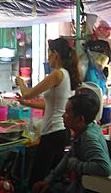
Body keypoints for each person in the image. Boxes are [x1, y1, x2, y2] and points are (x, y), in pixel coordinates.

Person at [15, 38, 82, 189]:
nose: (47, 57)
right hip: (61, 132)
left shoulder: (57, 75)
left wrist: (19, 81)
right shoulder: (67, 75)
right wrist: (28, 104)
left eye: (48, 53)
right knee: (49, 181)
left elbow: (28, 93)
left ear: (55, 54)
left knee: (37, 181)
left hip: (52, 133)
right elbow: (53, 103)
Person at [32, 87, 111, 193]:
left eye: (67, 113)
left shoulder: (89, 138)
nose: (63, 116)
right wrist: (49, 180)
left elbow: (104, 168)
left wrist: (74, 164)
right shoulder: (86, 128)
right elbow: (68, 157)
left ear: (80, 119)